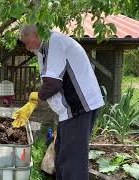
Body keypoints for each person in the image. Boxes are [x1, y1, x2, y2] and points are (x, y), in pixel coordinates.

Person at [12, 24, 104, 180]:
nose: (27, 48)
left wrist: (34, 101)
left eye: (27, 42)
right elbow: (53, 80)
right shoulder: (45, 49)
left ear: (36, 35)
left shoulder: (54, 42)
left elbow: (53, 84)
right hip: (70, 111)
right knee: (61, 155)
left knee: (72, 161)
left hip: (79, 107)